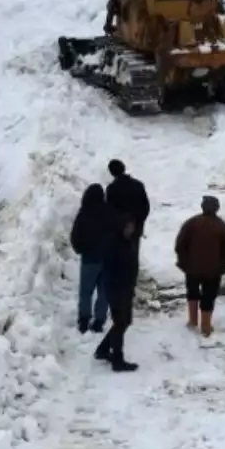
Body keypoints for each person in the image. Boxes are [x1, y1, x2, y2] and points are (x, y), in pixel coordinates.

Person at [174, 195, 225, 339]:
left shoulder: (191, 223)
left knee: (192, 292)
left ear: (202, 207)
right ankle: (206, 326)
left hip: (192, 269)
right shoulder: (222, 227)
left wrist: (184, 263)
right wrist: (222, 266)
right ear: (217, 208)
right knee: (209, 296)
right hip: (213, 272)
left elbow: (180, 245)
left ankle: (193, 321)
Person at [95, 216, 140, 373]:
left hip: (125, 288)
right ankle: (117, 360)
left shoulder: (127, 242)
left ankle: (103, 349)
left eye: (131, 227)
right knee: (121, 322)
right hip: (117, 289)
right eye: (127, 227)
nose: (130, 230)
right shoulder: (113, 244)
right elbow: (112, 269)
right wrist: (121, 286)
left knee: (124, 321)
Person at [69, 183, 114, 334]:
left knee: (85, 292)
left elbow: (75, 236)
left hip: (89, 259)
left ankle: (84, 321)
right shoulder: (110, 213)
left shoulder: (84, 213)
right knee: (104, 292)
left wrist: (80, 249)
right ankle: (99, 322)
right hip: (108, 260)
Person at [105, 159, 150, 244]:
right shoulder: (138, 185)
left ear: (111, 172)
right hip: (136, 229)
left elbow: (110, 212)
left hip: (119, 232)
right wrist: (138, 223)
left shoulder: (111, 189)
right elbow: (146, 207)